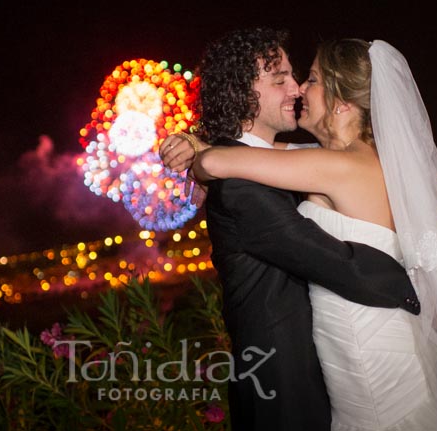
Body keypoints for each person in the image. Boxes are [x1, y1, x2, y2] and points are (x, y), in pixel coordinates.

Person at [175, 38, 437, 430]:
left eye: (312, 79)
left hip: (368, 360)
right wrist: (197, 141)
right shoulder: (355, 158)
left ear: (340, 102)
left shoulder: (338, 167)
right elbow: (273, 155)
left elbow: (218, 160)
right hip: (361, 350)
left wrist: (201, 155)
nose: (301, 88)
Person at [158, 28, 420, 431]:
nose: (296, 88)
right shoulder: (240, 184)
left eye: (301, 77)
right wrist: (413, 284)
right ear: (242, 91)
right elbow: (325, 257)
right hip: (281, 380)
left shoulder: (286, 163)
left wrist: (202, 149)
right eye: (280, 79)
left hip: (345, 359)